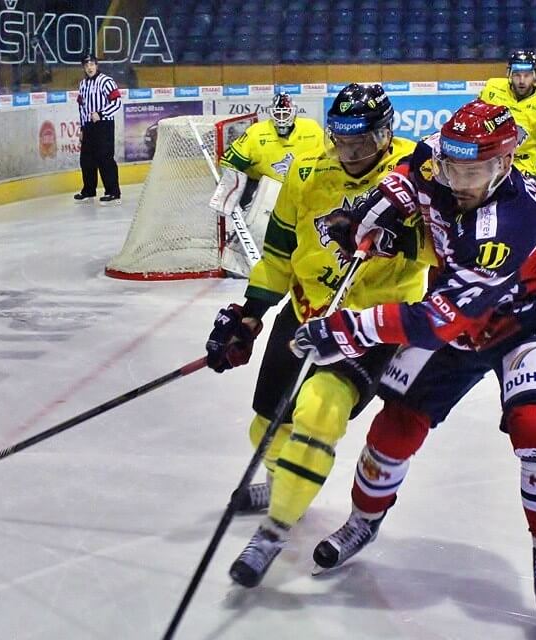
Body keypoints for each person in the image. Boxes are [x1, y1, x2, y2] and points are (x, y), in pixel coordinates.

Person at [292, 99, 536, 622]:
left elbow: (435, 321)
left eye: (472, 172)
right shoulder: (442, 158)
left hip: (526, 321)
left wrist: (346, 331)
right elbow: (409, 176)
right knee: (393, 427)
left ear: (505, 164)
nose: (457, 181)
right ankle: (363, 520)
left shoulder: (512, 222)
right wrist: (369, 215)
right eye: (451, 168)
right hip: (459, 313)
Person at [203, 83, 427, 589]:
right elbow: (279, 255)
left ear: (385, 134)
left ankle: (275, 529)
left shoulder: (415, 172)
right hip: (308, 311)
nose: (350, 153)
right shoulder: (306, 173)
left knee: (319, 413)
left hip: (370, 323)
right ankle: (285, 484)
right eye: (342, 141)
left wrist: (404, 238)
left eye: (362, 143)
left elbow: (445, 242)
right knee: (266, 428)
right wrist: (250, 315)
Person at [480, 49, 536, 224]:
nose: (522, 81)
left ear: (535, 75)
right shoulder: (492, 90)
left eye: (527, 75)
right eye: (517, 75)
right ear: (509, 74)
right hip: (499, 175)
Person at [208, 92, 324, 216]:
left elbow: (329, 157)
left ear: (293, 112)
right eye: (278, 114)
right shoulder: (256, 133)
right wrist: (230, 191)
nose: (281, 118)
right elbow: (228, 162)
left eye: (285, 114)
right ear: (271, 113)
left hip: (301, 186)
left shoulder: (312, 129)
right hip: (262, 188)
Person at [74, 53, 121, 204]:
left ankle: (113, 192)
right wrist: (82, 128)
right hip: (89, 127)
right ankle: (89, 190)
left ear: (97, 65)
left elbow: (117, 102)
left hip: (104, 125)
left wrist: (101, 114)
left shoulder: (106, 81)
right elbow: (82, 108)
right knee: (86, 159)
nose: (89, 67)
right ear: (83, 67)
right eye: (86, 65)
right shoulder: (83, 85)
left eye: (92, 64)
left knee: (105, 159)